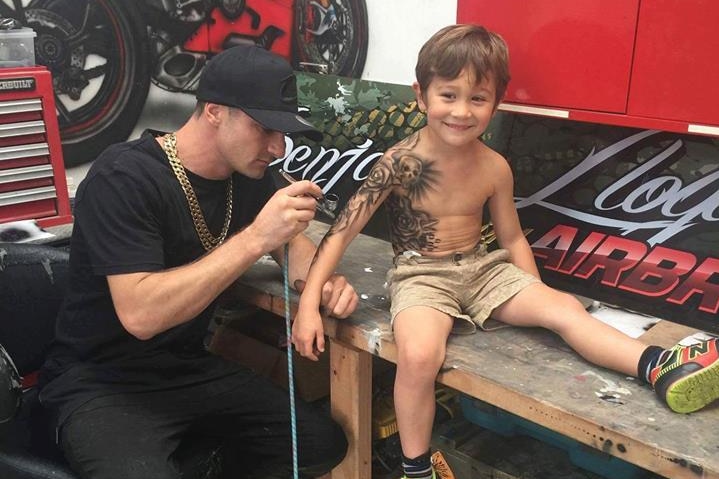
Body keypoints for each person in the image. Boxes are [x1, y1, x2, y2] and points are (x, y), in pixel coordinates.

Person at [291, 24, 719, 479]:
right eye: (448, 95)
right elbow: (340, 232)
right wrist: (307, 308)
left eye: (477, 98)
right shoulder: (399, 163)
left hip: (484, 271)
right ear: (421, 95)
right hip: (421, 277)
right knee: (418, 356)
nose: (461, 111)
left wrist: (533, 291)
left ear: (497, 101)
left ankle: (657, 365)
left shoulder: (495, 166)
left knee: (564, 308)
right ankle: (415, 469)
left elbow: (512, 239)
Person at [38, 44, 359, 479]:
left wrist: (323, 283)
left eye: (283, 133)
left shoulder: (250, 177)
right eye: (265, 129)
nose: (277, 147)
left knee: (321, 443)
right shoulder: (124, 177)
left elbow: (295, 254)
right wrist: (255, 238)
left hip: (185, 367)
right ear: (214, 112)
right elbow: (141, 314)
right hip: (100, 381)